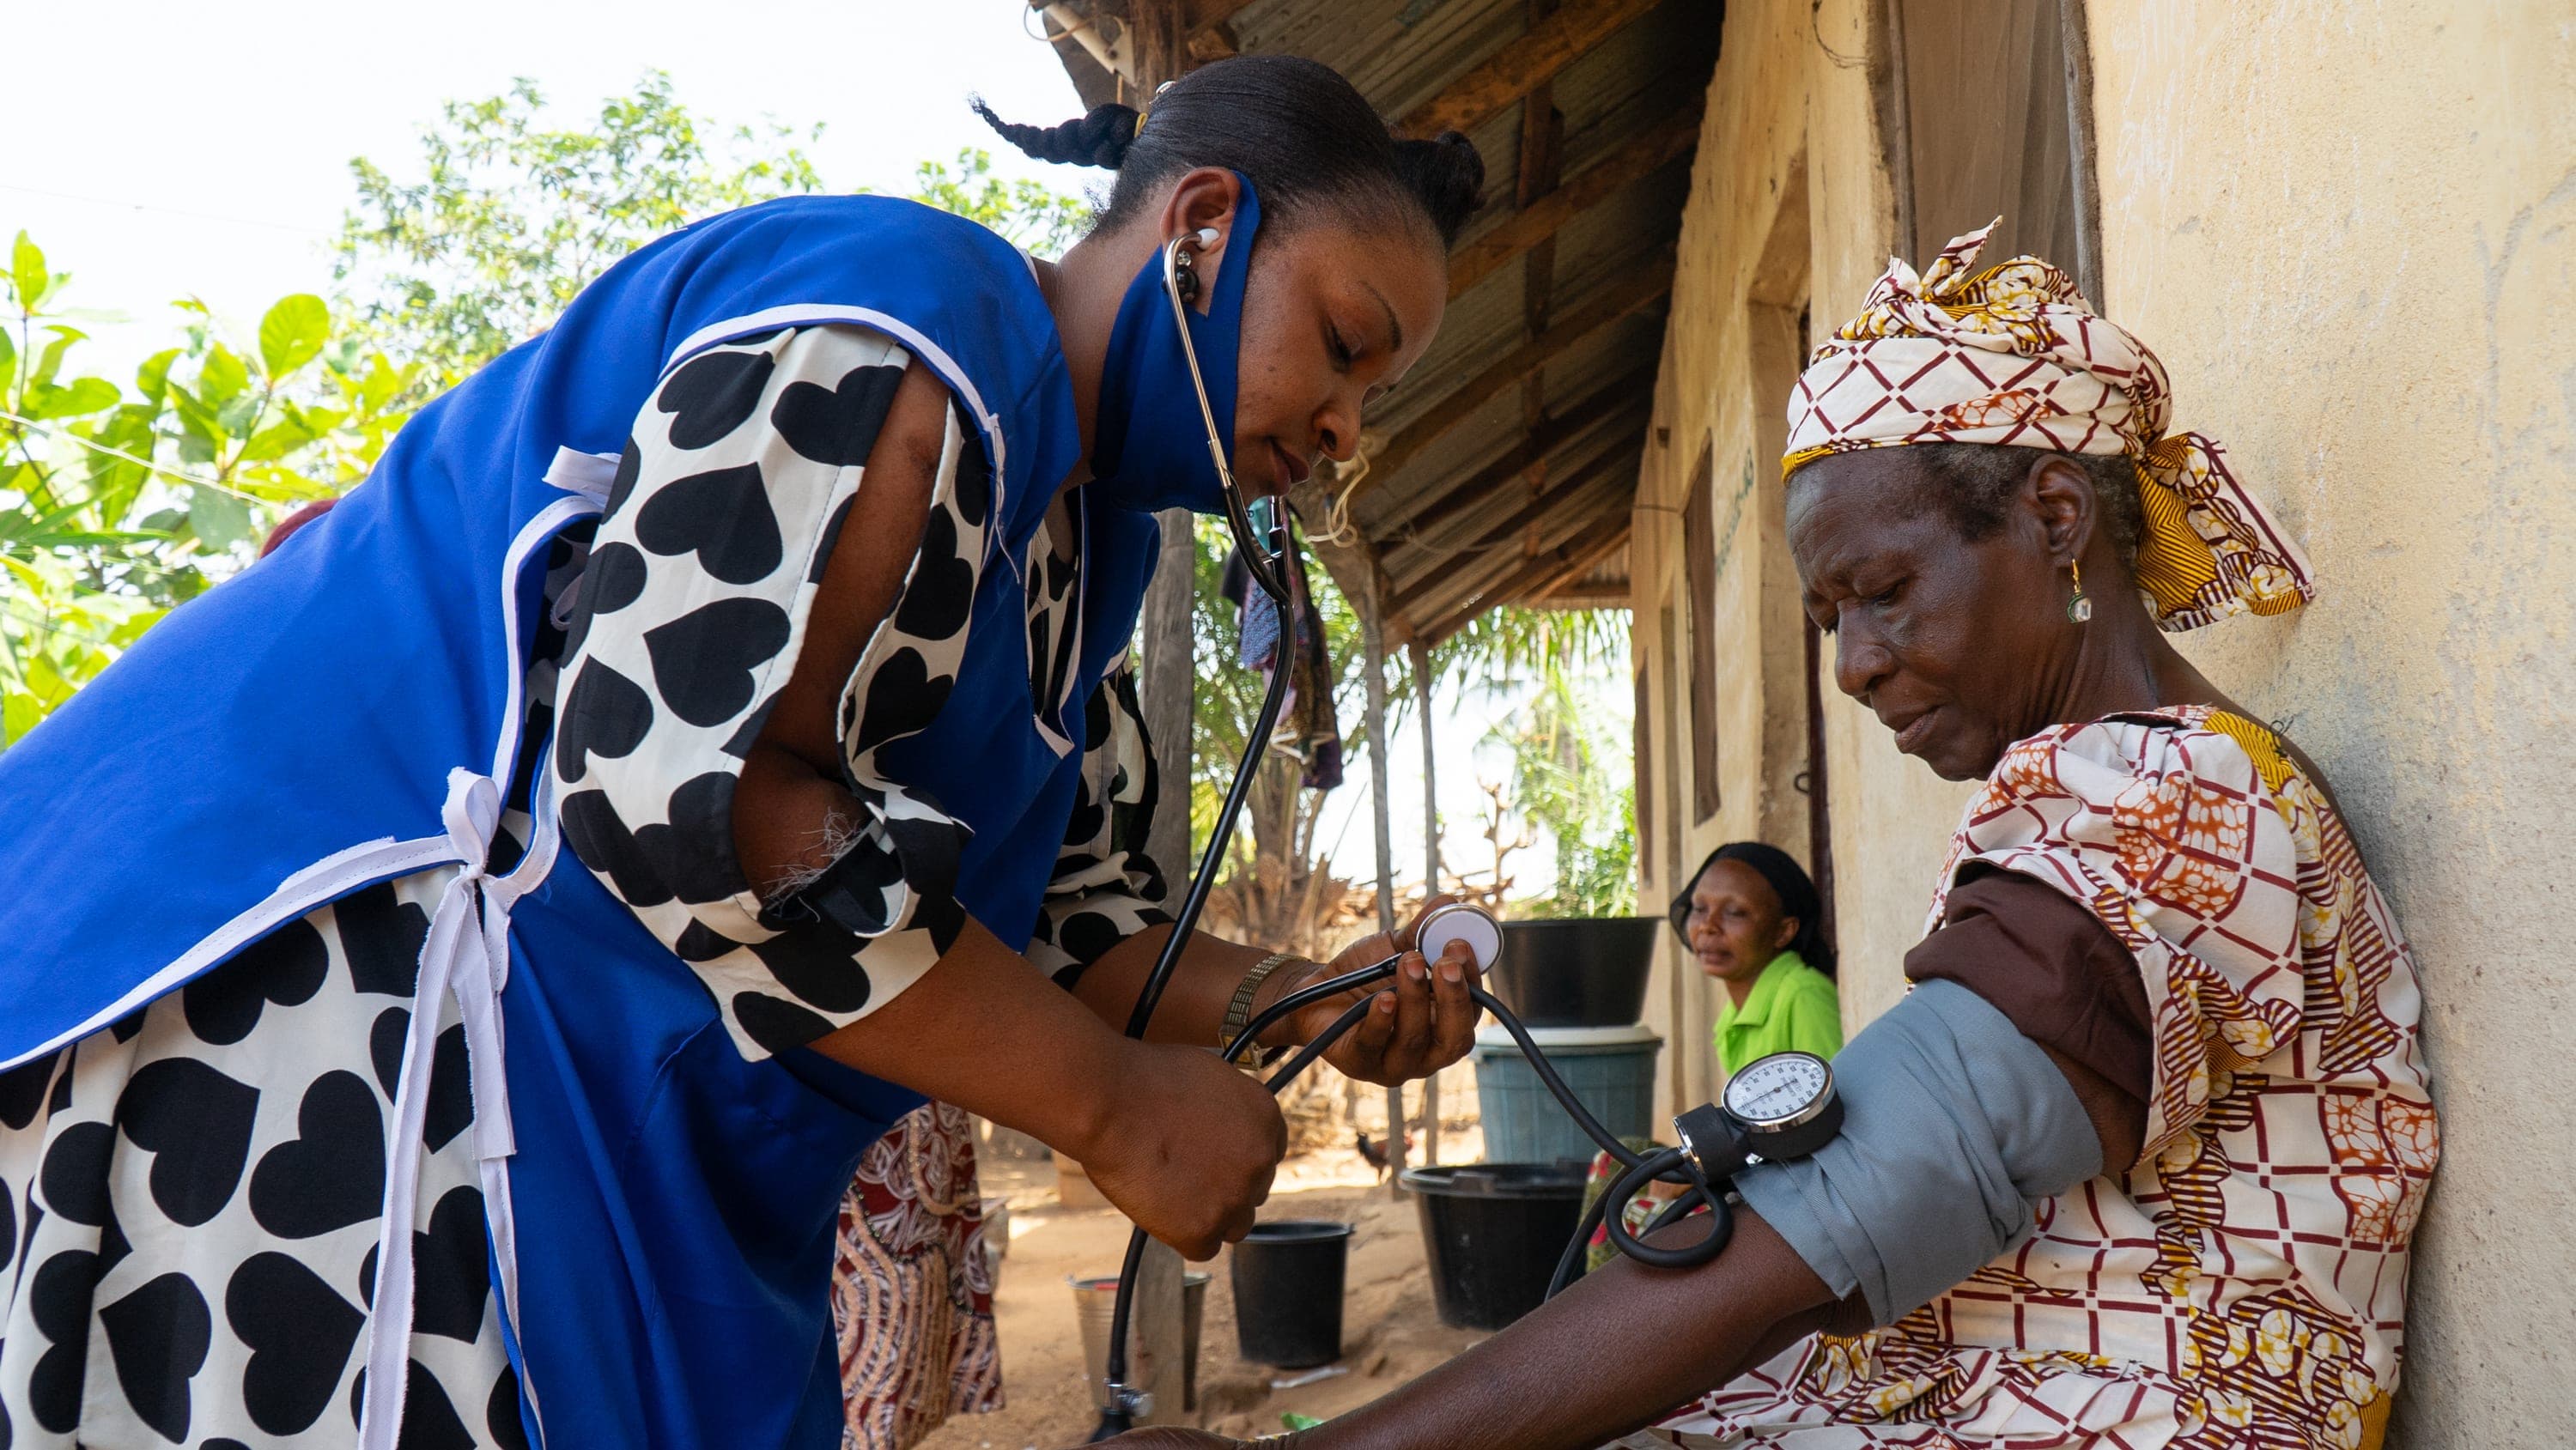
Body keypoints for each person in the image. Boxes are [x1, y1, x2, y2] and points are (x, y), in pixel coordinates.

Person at [0, 57, 1492, 1449]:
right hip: (335, 1028)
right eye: (1344, 345)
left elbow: (1063, 928)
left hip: (619, 1140)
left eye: (1377, 398)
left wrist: (1305, 999)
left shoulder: (1082, 549)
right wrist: (1108, 1102)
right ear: (1206, 226)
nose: (1345, 426)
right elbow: (677, 792)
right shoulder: (902, 324)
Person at [1111, 222, 2437, 1450]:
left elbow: (1834, 1214)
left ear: (2052, 516)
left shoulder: (2176, 807)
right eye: (1829, 621)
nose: (1855, 667)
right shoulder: (2117, 791)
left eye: (1886, 594)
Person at [1671, 841, 1842, 1074]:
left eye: (1734, 913)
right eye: (1699, 908)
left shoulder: (1803, 995)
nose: (1708, 926)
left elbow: (1831, 1100)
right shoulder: (1735, 1012)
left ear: (1783, 931)